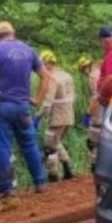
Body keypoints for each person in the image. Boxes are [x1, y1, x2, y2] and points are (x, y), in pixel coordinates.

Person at [0, 21, 49, 204]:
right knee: (29, 144)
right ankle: (40, 182)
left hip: (3, 106)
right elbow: (46, 76)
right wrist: (37, 99)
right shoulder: (28, 50)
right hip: (23, 106)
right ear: (12, 33)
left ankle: (7, 189)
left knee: (3, 147)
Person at [37, 50, 76, 181]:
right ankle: (67, 168)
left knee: (49, 145)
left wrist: (39, 116)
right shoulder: (67, 75)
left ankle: (53, 175)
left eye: (42, 64)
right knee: (56, 142)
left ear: (47, 63)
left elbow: (48, 101)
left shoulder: (52, 78)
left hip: (57, 116)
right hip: (68, 115)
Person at [77, 55, 102, 169]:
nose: (84, 71)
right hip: (104, 107)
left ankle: (95, 164)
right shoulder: (99, 72)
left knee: (93, 137)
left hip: (97, 109)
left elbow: (96, 96)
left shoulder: (92, 77)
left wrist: (88, 113)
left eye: (83, 68)